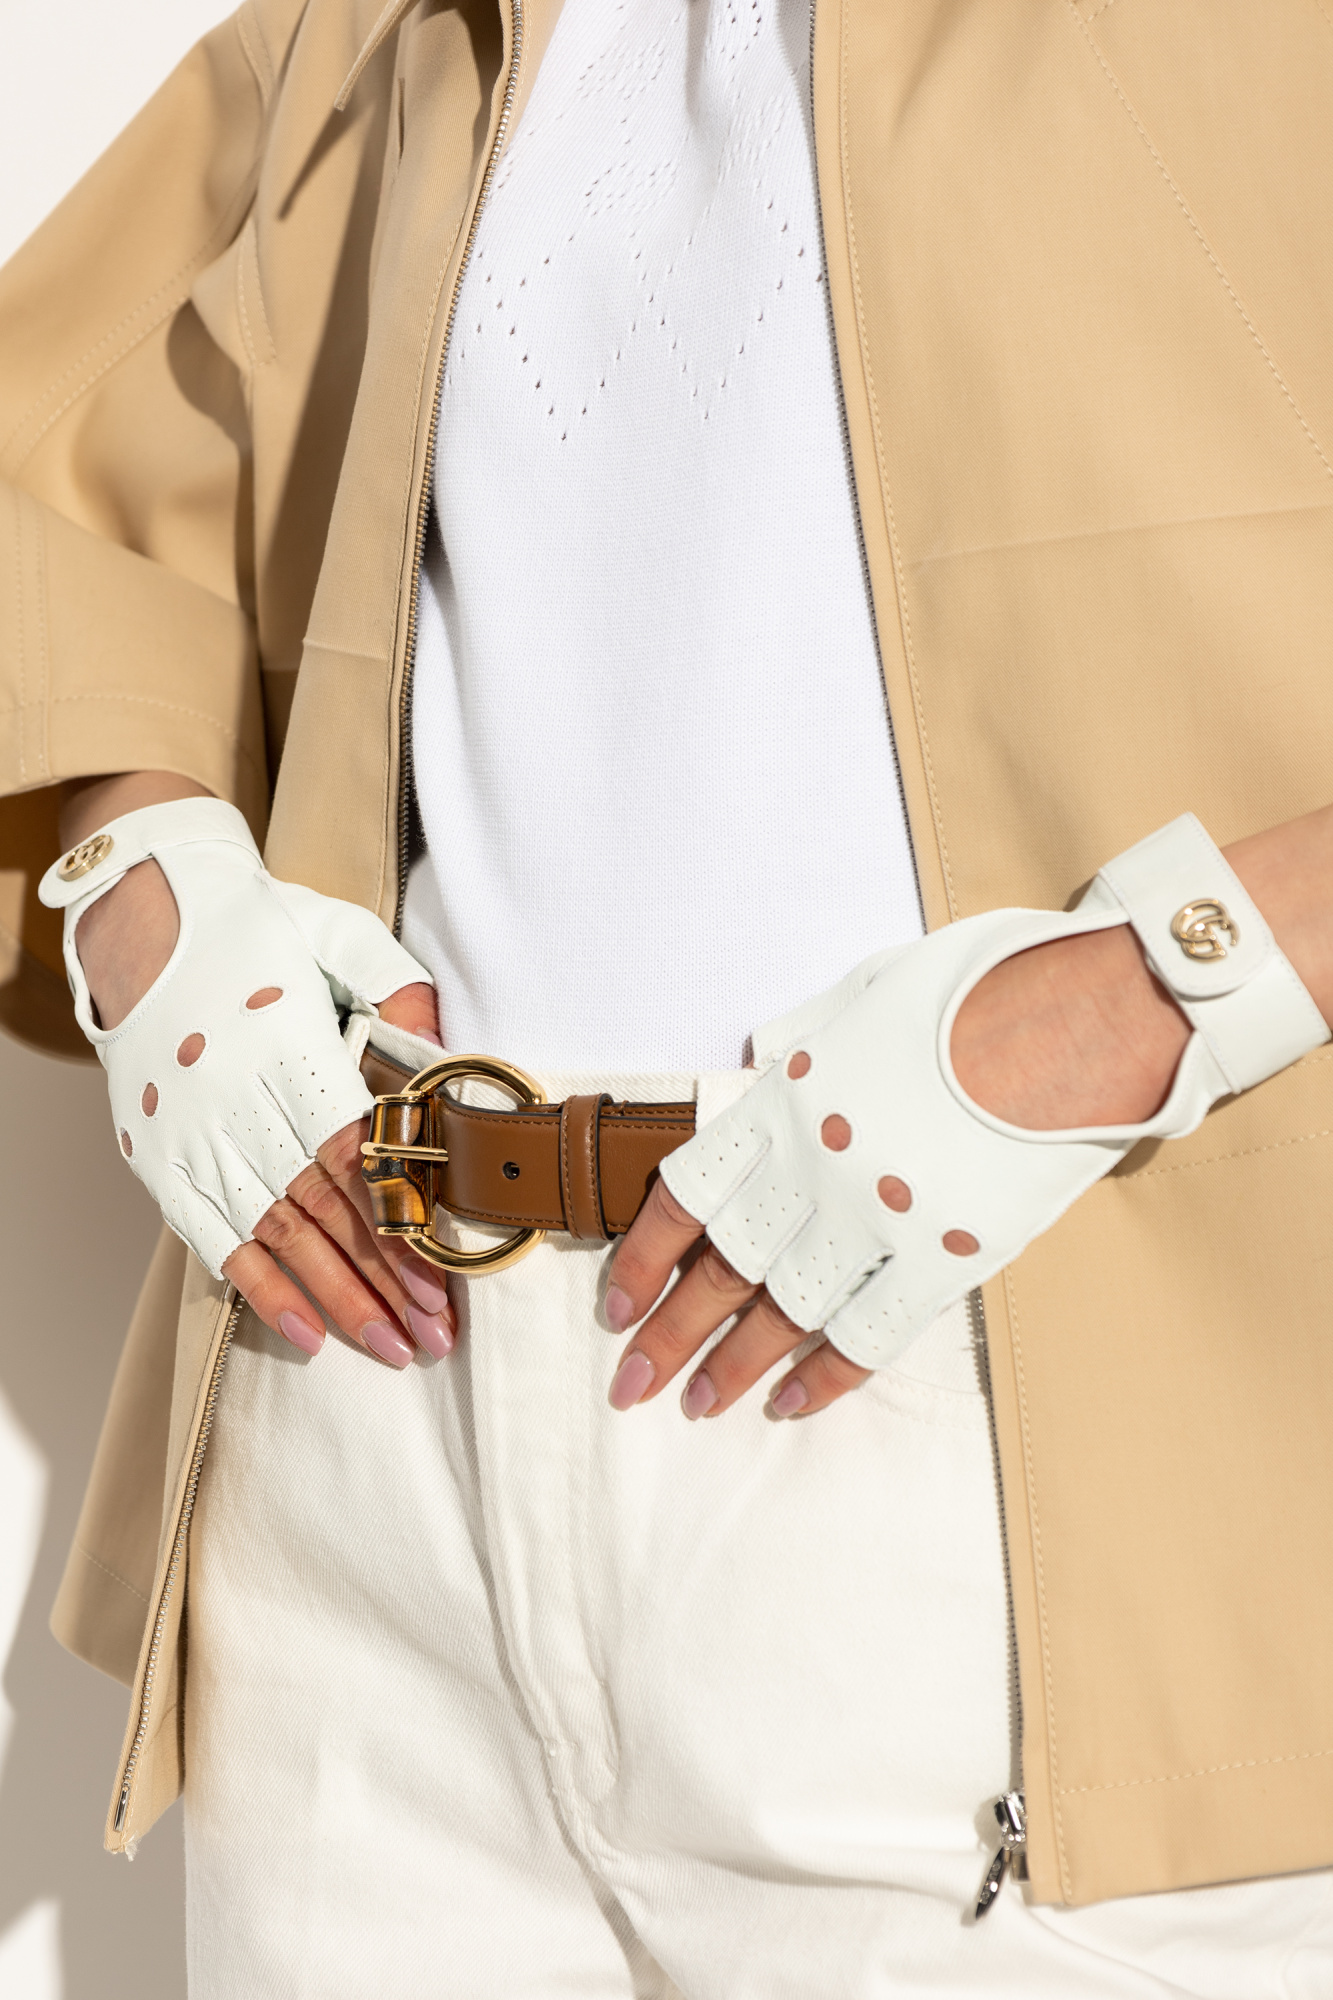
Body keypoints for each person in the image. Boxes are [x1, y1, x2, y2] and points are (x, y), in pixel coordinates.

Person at [3, 0, 1333, 1992]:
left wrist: (1150, 990)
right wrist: (142, 889)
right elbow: (68, 484)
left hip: (1016, 1434)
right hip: (365, 1448)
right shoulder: (391, 28)